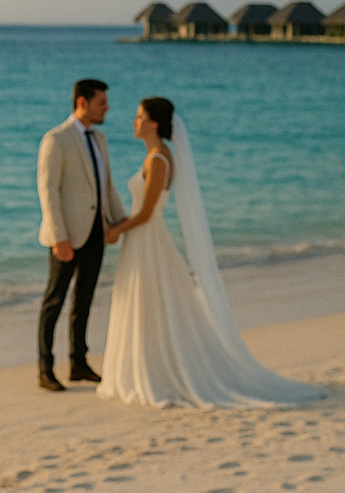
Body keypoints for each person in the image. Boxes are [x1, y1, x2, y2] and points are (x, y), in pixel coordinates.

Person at [98, 96, 322, 408]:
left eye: (138, 117)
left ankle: (158, 372)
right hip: (141, 240)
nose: (134, 122)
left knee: (152, 303)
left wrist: (115, 229)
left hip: (148, 239)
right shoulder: (155, 155)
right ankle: (150, 367)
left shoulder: (158, 159)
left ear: (153, 123)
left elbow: (147, 212)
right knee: (147, 304)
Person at [36, 78, 125, 391]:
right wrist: (59, 236)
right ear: (83, 102)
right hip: (66, 237)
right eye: (102, 102)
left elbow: (107, 185)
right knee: (54, 302)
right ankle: (45, 369)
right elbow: (48, 191)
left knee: (84, 302)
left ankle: (79, 363)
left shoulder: (99, 138)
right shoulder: (56, 139)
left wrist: (121, 222)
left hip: (96, 233)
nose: (107, 107)